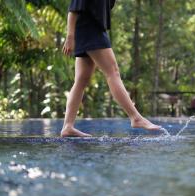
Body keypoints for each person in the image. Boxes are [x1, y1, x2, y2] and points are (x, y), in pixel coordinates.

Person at [61, 0, 161, 137]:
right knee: (112, 72)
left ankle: (68, 126)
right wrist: (70, 36)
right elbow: (74, 8)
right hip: (89, 30)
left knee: (81, 80)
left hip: (91, 29)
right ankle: (135, 117)